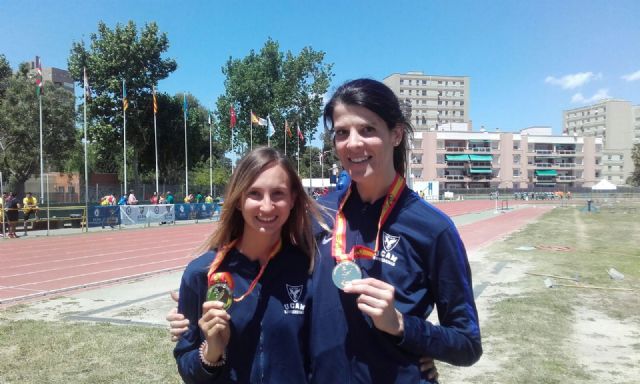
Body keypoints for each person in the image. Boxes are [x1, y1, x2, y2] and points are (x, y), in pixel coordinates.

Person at [308, 78, 481, 382]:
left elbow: (467, 344)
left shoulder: (433, 229)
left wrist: (402, 326)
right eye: (341, 133)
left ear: (396, 133)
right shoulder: (319, 213)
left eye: (368, 130)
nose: (353, 143)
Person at [174, 147, 325, 383]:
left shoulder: (310, 268)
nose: (266, 206)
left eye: (278, 193)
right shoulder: (201, 273)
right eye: (254, 193)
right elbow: (188, 370)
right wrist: (212, 352)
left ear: (293, 199)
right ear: (237, 199)